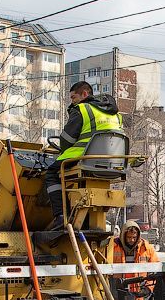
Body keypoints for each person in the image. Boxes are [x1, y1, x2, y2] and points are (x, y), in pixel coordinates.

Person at [44, 80, 123, 230]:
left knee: (51, 174)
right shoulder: (116, 115)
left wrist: (63, 149)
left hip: (85, 159)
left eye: (73, 97)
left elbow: (67, 140)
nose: (72, 102)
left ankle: (61, 216)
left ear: (85, 94)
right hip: (112, 165)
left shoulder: (82, 110)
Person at [111, 220, 159, 300]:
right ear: (123, 236)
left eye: (134, 237)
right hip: (117, 296)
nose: (132, 240)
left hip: (139, 296)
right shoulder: (112, 247)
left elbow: (155, 271)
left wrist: (148, 288)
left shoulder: (147, 248)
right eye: (129, 237)